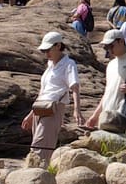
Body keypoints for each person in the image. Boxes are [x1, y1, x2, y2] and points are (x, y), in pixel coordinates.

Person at [22, 30, 82, 163]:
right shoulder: (49, 66)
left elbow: (74, 87)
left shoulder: (68, 64)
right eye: (44, 50)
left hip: (53, 107)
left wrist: (76, 110)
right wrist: (31, 114)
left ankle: (37, 174)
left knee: (40, 145)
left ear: (58, 46)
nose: (46, 53)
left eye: (48, 49)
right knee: (37, 143)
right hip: (40, 106)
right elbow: (42, 92)